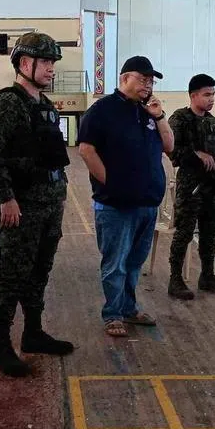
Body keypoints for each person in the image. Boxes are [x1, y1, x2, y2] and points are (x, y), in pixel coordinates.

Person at [0, 32, 74, 377]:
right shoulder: (8, 105)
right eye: (46, 62)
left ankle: (32, 332)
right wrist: (6, 198)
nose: (51, 69)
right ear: (25, 64)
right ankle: (1, 345)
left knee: (39, 272)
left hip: (49, 206)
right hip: (22, 207)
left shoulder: (44, 106)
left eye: (52, 62)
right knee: (13, 276)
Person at [77, 56, 174, 337]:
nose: (148, 85)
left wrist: (159, 116)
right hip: (116, 205)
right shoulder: (102, 111)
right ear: (124, 79)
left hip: (147, 203)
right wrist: (112, 184)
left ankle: (129, 308)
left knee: (134, 263)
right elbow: (86, 150)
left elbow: (169, 146)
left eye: (151, 81)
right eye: (142, 79)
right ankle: (113, 314)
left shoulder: (148, 113)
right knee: (115, 263)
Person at [166, 73, 215, 300]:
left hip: (212, 186)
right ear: (193, 95)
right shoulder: (180, 120)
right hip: (191, 185)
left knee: (210, 233)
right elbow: (172, 149)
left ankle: (207, 276)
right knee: (184, 232)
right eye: (207, 94)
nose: (211, 99)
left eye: (213, 94)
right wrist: (196, 153)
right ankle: (175, 279)